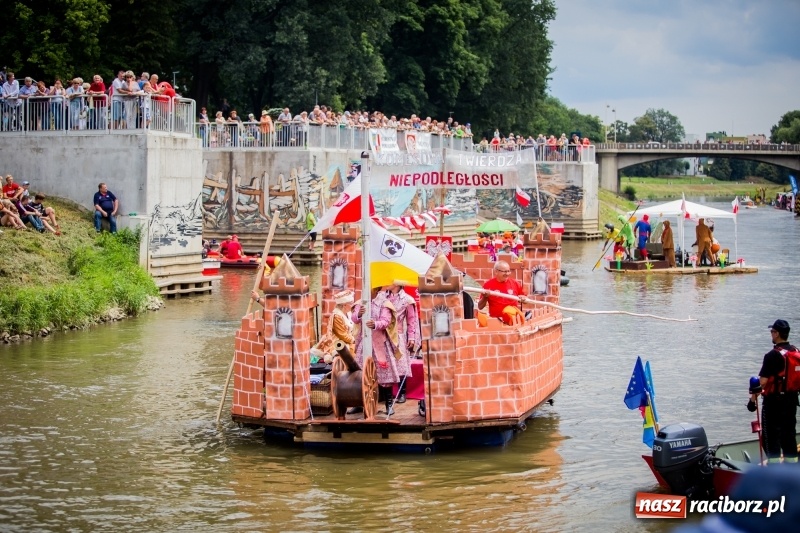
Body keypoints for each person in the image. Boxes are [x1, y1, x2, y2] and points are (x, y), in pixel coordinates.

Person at [749, 319, 798, 464]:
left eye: (772, 332)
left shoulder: (772, 355)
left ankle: (774, 472)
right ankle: (792, 469)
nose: (771, 334)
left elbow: (762, 382)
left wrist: (752, 402)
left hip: (774, 402)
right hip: (791, 399)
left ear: (777, 334)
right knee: (789, 434)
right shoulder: (796, 352)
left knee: (771, 437)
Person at [352, 287, 401, 416]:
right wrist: (359, 314)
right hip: (364, 341)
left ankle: (388, 404)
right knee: (360, 372)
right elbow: (354, 319)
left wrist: (375, 324)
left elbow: (386, 321)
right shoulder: (361, 302)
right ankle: (359, 403)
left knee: (384, 374)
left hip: (379, 343)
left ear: (376, 288)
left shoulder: (384, 303)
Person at [387, 281, 421, 404]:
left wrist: (411, 337)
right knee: (386, 364)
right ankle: (387, 395)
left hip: (398, 335)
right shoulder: (384, 297)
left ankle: (402, 393)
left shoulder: (407, 299)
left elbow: (411, 320)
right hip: (384, 335)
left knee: (400, 363)